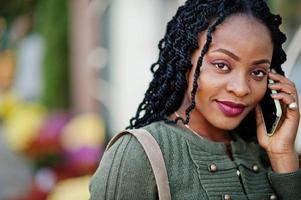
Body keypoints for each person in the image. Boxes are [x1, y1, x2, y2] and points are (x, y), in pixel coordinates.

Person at [90, 0, 301, 199]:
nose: (241, 88)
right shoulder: (136, 154)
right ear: (184, 59)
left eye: (257, 72)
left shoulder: (262, 152)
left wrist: (282, 154)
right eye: (221, 65)